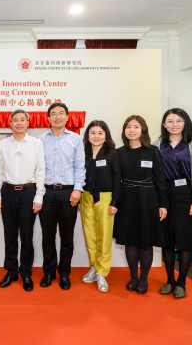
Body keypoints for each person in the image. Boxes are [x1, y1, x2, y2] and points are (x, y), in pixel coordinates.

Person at [152, 108, 192, 299]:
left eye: (178, 121)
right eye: (170, 121)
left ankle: (181, 282)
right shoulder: (157, 144)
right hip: (163, 196)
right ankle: (169, 280)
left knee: (185, 242)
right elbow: (152, 175)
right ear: (164, 124)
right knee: (166, 241)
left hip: (186, 196)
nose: (174, 125)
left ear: (185, 123)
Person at [113, 115, 168, 294]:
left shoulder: (152, 151)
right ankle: (133, 277)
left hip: (148, 199)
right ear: (124, 130)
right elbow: (116, 181)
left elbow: (160, 180)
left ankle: (143, 278)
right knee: (130, 240)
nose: (132, 130)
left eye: (136, 126)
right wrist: (115, 202)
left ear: (143, 130)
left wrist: (163, 204)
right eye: (128, 126)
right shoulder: (119, 152)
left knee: (145, 241)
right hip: (127, 199)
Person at [0, 109, 45, 292]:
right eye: (15, 120)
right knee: (9, 235)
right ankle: (10, 272)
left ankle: (25, 272)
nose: (18, 123)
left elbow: (40, 171)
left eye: (22, 120)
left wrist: (39, 195)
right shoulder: (3, 144)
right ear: (10, 123)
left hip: (28, 193)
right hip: (7, 192)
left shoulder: (36, 144)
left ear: (27, 123)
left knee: (26, 235)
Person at [38, 103, 85, 290]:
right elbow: (37, 169)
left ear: (67, 117)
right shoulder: (40, 140)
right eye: (53, 114)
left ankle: (64, 274)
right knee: (47, 237)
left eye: (61, 114)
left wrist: (77, 190)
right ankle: (49, 273)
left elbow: (80, 166)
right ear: (48, 118)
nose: (57, 117)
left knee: (67, 237)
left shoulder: (75, 139)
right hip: (47, 192)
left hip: (69, 193)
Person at [80, 120, 120, 293]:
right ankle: (94, 267)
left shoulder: (113, 154)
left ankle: (102, 273)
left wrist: (115, 202)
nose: (96, 136)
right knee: (90, 235)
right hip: (85, 197)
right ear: (87, 135)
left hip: (105, 198)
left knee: (104, 236)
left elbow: (118, 179)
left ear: (106, 136)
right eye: (93, 133)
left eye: (100, 133)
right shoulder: (83, 152)